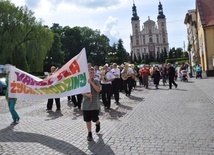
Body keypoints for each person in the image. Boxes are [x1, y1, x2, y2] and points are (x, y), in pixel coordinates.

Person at [82, 67, 101, 141]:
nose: (92, 74)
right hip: (86, 104)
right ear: (87, 73)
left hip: (94, 104)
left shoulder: (96, 81)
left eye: (93, 73)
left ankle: (98, 123)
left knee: (95, 118)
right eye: (91, 73)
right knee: (88, 120)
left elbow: (98, 90)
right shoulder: (84, 81)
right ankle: (89, 133)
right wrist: (87, 95)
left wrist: (91, 82)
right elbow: (81, 91)